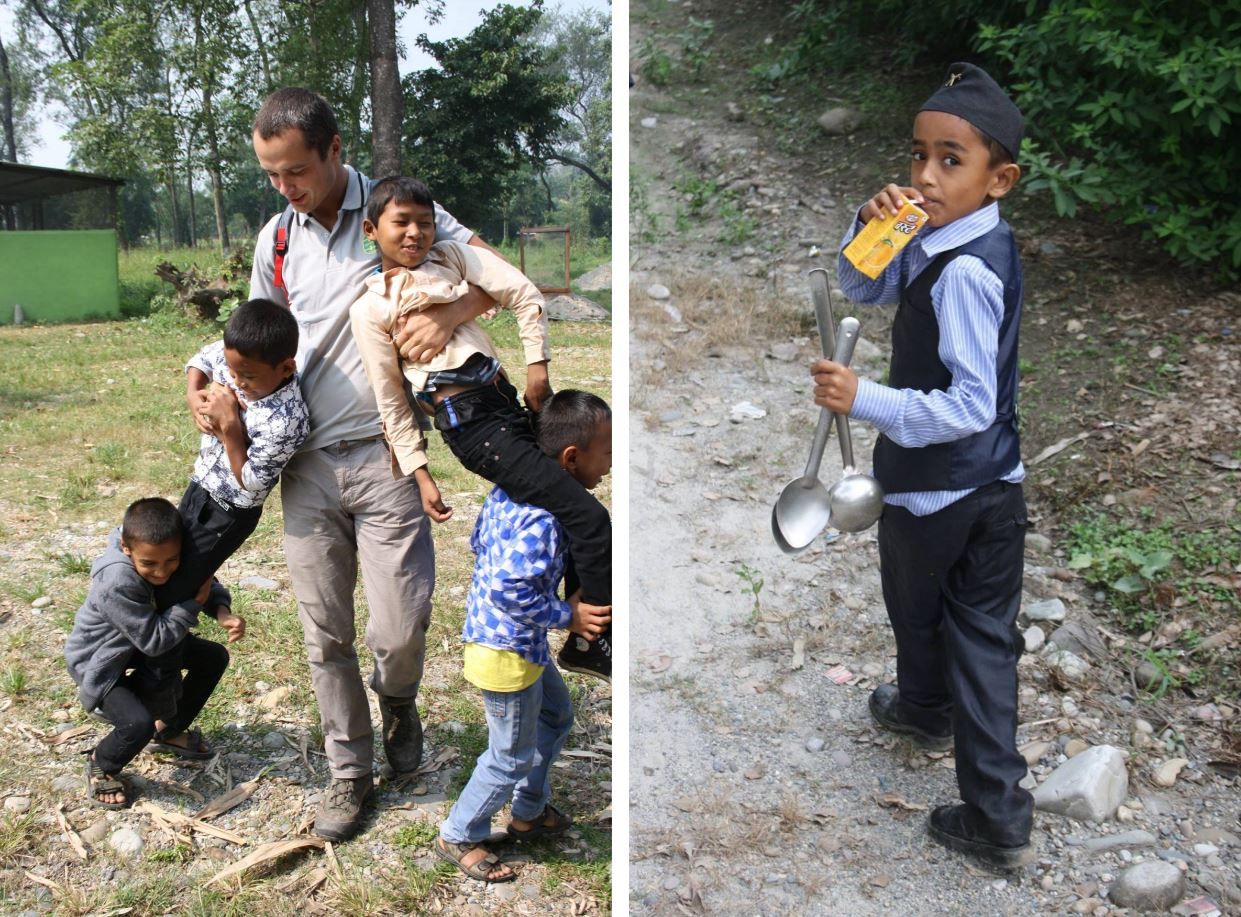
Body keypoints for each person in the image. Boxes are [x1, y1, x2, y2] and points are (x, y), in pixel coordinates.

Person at [234, 86, 499, 842]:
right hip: (307, 466)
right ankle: (349, 773)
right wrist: (213, 386)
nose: (286, 189)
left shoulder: (398, 213)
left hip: (391, 456)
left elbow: (494, 271)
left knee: (399, 628)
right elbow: (256, 341)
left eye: (297, 172)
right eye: (272, 175)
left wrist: (451, 313)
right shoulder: (275, 242)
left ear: (334, 151)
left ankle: (400, 698)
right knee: (325, 633)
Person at [809, 62, 1034, 868]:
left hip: (938, 484)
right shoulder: (946, 235)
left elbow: (968, 404)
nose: (924, 176)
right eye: (917, 156)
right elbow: (857, 281)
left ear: (998, 177)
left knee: (914, 604)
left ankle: (925, 705)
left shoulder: (966, 269)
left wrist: (861, 396)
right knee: (983, 637)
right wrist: (865, 223)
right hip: (995, 486)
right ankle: (993, 807)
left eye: (950, 160)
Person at [349, 176, 613, 682]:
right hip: (472, 429)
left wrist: (538, 367)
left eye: (424, 223)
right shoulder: (370, 309)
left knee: (571, 503)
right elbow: (392, 402)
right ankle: (591, 641)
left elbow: (521, 290)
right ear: (371, 229)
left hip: (507, 403)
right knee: (590, 518)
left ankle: (584, 625)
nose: (414, 234)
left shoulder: (451, 258)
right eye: (400, 223)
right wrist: (421, 475)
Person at [435, 390, 612, 882]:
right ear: (572, 459)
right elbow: (508, 588)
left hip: (516, 646)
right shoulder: (545, 519)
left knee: (556, 716)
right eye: (608, 453)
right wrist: (567, 616)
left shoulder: (509, 492)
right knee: (509, 755)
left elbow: (478, 545)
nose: (611, 464)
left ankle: (529, 811)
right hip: (505, 654)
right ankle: (459, 832)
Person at [65, 498, 244, 808]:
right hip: (102, 661)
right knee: (136, 723)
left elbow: (201, 581)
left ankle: (169, 732)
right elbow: (155, 640)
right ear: (125, 547)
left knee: (213, 658)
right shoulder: (116, 581)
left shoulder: (165, 555)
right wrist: (191, 605)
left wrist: (221, 611)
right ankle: (102, 764)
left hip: (136, 645)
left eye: (170, 561)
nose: (161, 572)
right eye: (149, 564)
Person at [159, 297, 309, 608]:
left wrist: (230, 428)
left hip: (228, 512)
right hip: (200, 484)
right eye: (231, 371)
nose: (237, 380)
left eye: (248, 377)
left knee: (178, 587)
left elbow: (252, 481)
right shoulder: (239, 360)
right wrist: (193, 396)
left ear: (286, 367)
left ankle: (168, 644)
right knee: (172, 565)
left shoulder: (286, 419)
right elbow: (202, 358)